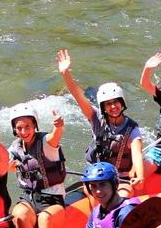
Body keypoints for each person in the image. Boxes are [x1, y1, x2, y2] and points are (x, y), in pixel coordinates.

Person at [57, 48, 143, 197]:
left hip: (119, 178)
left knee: (123, 195)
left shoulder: (132, 130)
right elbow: (78, 96)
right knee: (93, 192)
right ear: (103, 107)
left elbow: (137, 154)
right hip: (96, 174)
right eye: (108, 104)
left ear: (122, 103)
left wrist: (140, 176)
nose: (113, 107)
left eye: (116, 102)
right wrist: (66, 75)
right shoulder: (96, 118)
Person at [6, 102, 66, 228]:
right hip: (29, 198)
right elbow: (3, 163)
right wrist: (8, 165)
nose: (23, 131)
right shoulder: (15, 147)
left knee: (45, 218)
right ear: (14, 129)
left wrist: (58, 127)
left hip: (52, 199)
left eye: (27, 126)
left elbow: (54, 137)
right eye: (19, 128)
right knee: (18, 216)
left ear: (35, 125)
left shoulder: (46, 142)